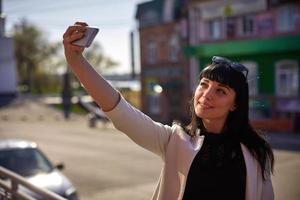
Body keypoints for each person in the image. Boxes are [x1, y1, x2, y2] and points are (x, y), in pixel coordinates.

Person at [63, 22, 274, 200]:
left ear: (235, 104)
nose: (206, 94)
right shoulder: (175, 140)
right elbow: (120, 111)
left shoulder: (255, 152)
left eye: (220, 91)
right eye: (204, 84)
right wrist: (76, 61)